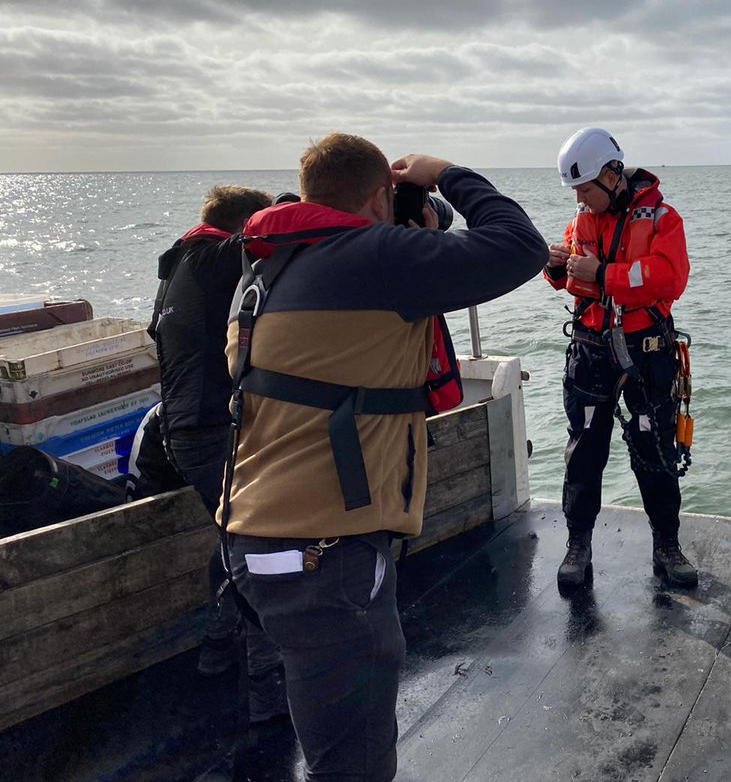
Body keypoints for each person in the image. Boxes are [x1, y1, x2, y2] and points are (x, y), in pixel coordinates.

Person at [220, 132, 546, 782]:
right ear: (379, 197)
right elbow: (520, 246)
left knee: (330, 725)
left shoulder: (265, 268)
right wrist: (446, 172)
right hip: (324, 552)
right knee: (354, 762)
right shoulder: (374, 257)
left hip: (256, 537)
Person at [148, 185, 289, 722]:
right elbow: (278, 230)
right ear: (241, 226)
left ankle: (216, 645)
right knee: (260, 548)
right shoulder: (213, 259)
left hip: (184, 431)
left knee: (232, 536)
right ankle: (266, 684)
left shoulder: (178, 265)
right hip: (209, 433)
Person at [543, 127, 697, 589]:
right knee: (584, 451)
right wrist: (556, 267)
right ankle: (578, 546)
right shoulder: (583, 219)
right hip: (591, 351)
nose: (580, 199)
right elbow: (573, 275)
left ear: (612, 176)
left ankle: (667, 545)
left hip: (646, 353)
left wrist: (604, 274)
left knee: (655, 450)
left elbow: (669, 278)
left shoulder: (663, 219)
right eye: (575, 191)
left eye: (585, 189)